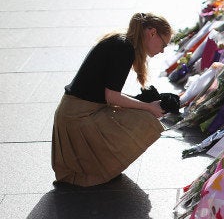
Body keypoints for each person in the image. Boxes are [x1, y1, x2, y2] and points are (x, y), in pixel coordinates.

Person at [52, 12, 172, 187]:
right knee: (146, 119)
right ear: (152, 32)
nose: (162, 50)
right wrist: (148, 107)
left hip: (75, 113)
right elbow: (112, 97)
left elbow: (109, 95)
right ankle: (98, 166)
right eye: (164, 44)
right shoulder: (124, 48)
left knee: (138, 111)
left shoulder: (121, 41)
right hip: (78, 118)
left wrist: (144, 104)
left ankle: (101, 165)